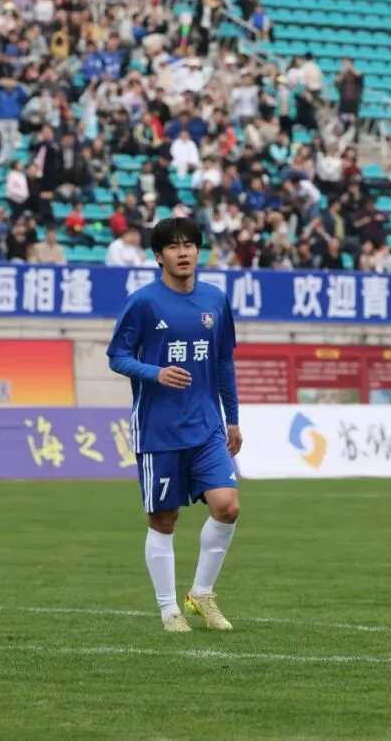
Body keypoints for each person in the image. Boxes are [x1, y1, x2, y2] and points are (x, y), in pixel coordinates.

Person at [106, 217, 242, 633]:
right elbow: (117, 357)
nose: (183, 253)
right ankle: (169, 610)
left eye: (189, 245)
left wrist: (232, 419)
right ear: (158, 256)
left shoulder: (215, 300)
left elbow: (223, 362)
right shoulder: (143, 302)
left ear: (198, 251)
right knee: (164, 520)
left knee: (228, 506)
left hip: (207, 426)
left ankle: (201, 594)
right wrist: (155, 373)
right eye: (173, 246)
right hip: (159, 429)